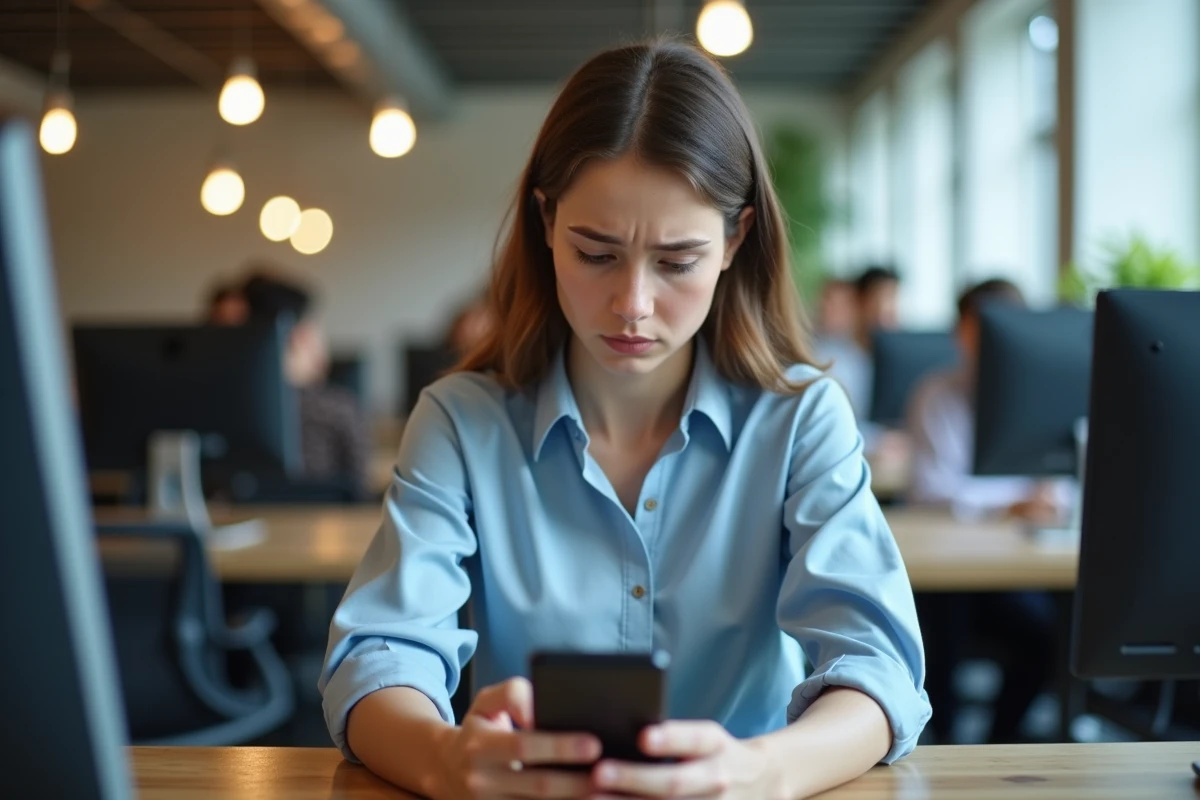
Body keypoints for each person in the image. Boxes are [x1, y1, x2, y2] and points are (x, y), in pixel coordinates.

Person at [319, 39, 928, 800]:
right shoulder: (460, 422)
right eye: (596, 253)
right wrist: (447, 759)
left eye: (677, 261)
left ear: (736, 240)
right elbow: (379, 657)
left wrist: (760, 770)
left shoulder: (799, 418)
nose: (632, 305)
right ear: (545, 223)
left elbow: (878, 669)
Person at [906, 278, 1062, 744]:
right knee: (947, 616)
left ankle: (1000, 741)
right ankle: (947, 742)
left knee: (1051, 634)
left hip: (1020, 565)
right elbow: (933, 488)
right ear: (962, 333)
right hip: (953, 569)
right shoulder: (937, 394)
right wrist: (1009, 503)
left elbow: (1066, 482)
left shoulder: (1047, 395)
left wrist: (1046, 502)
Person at [241, 271, 370, 496]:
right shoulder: (338, 406)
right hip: (332, 526)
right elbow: (360, 486)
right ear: (301, 335)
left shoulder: (236, 404)